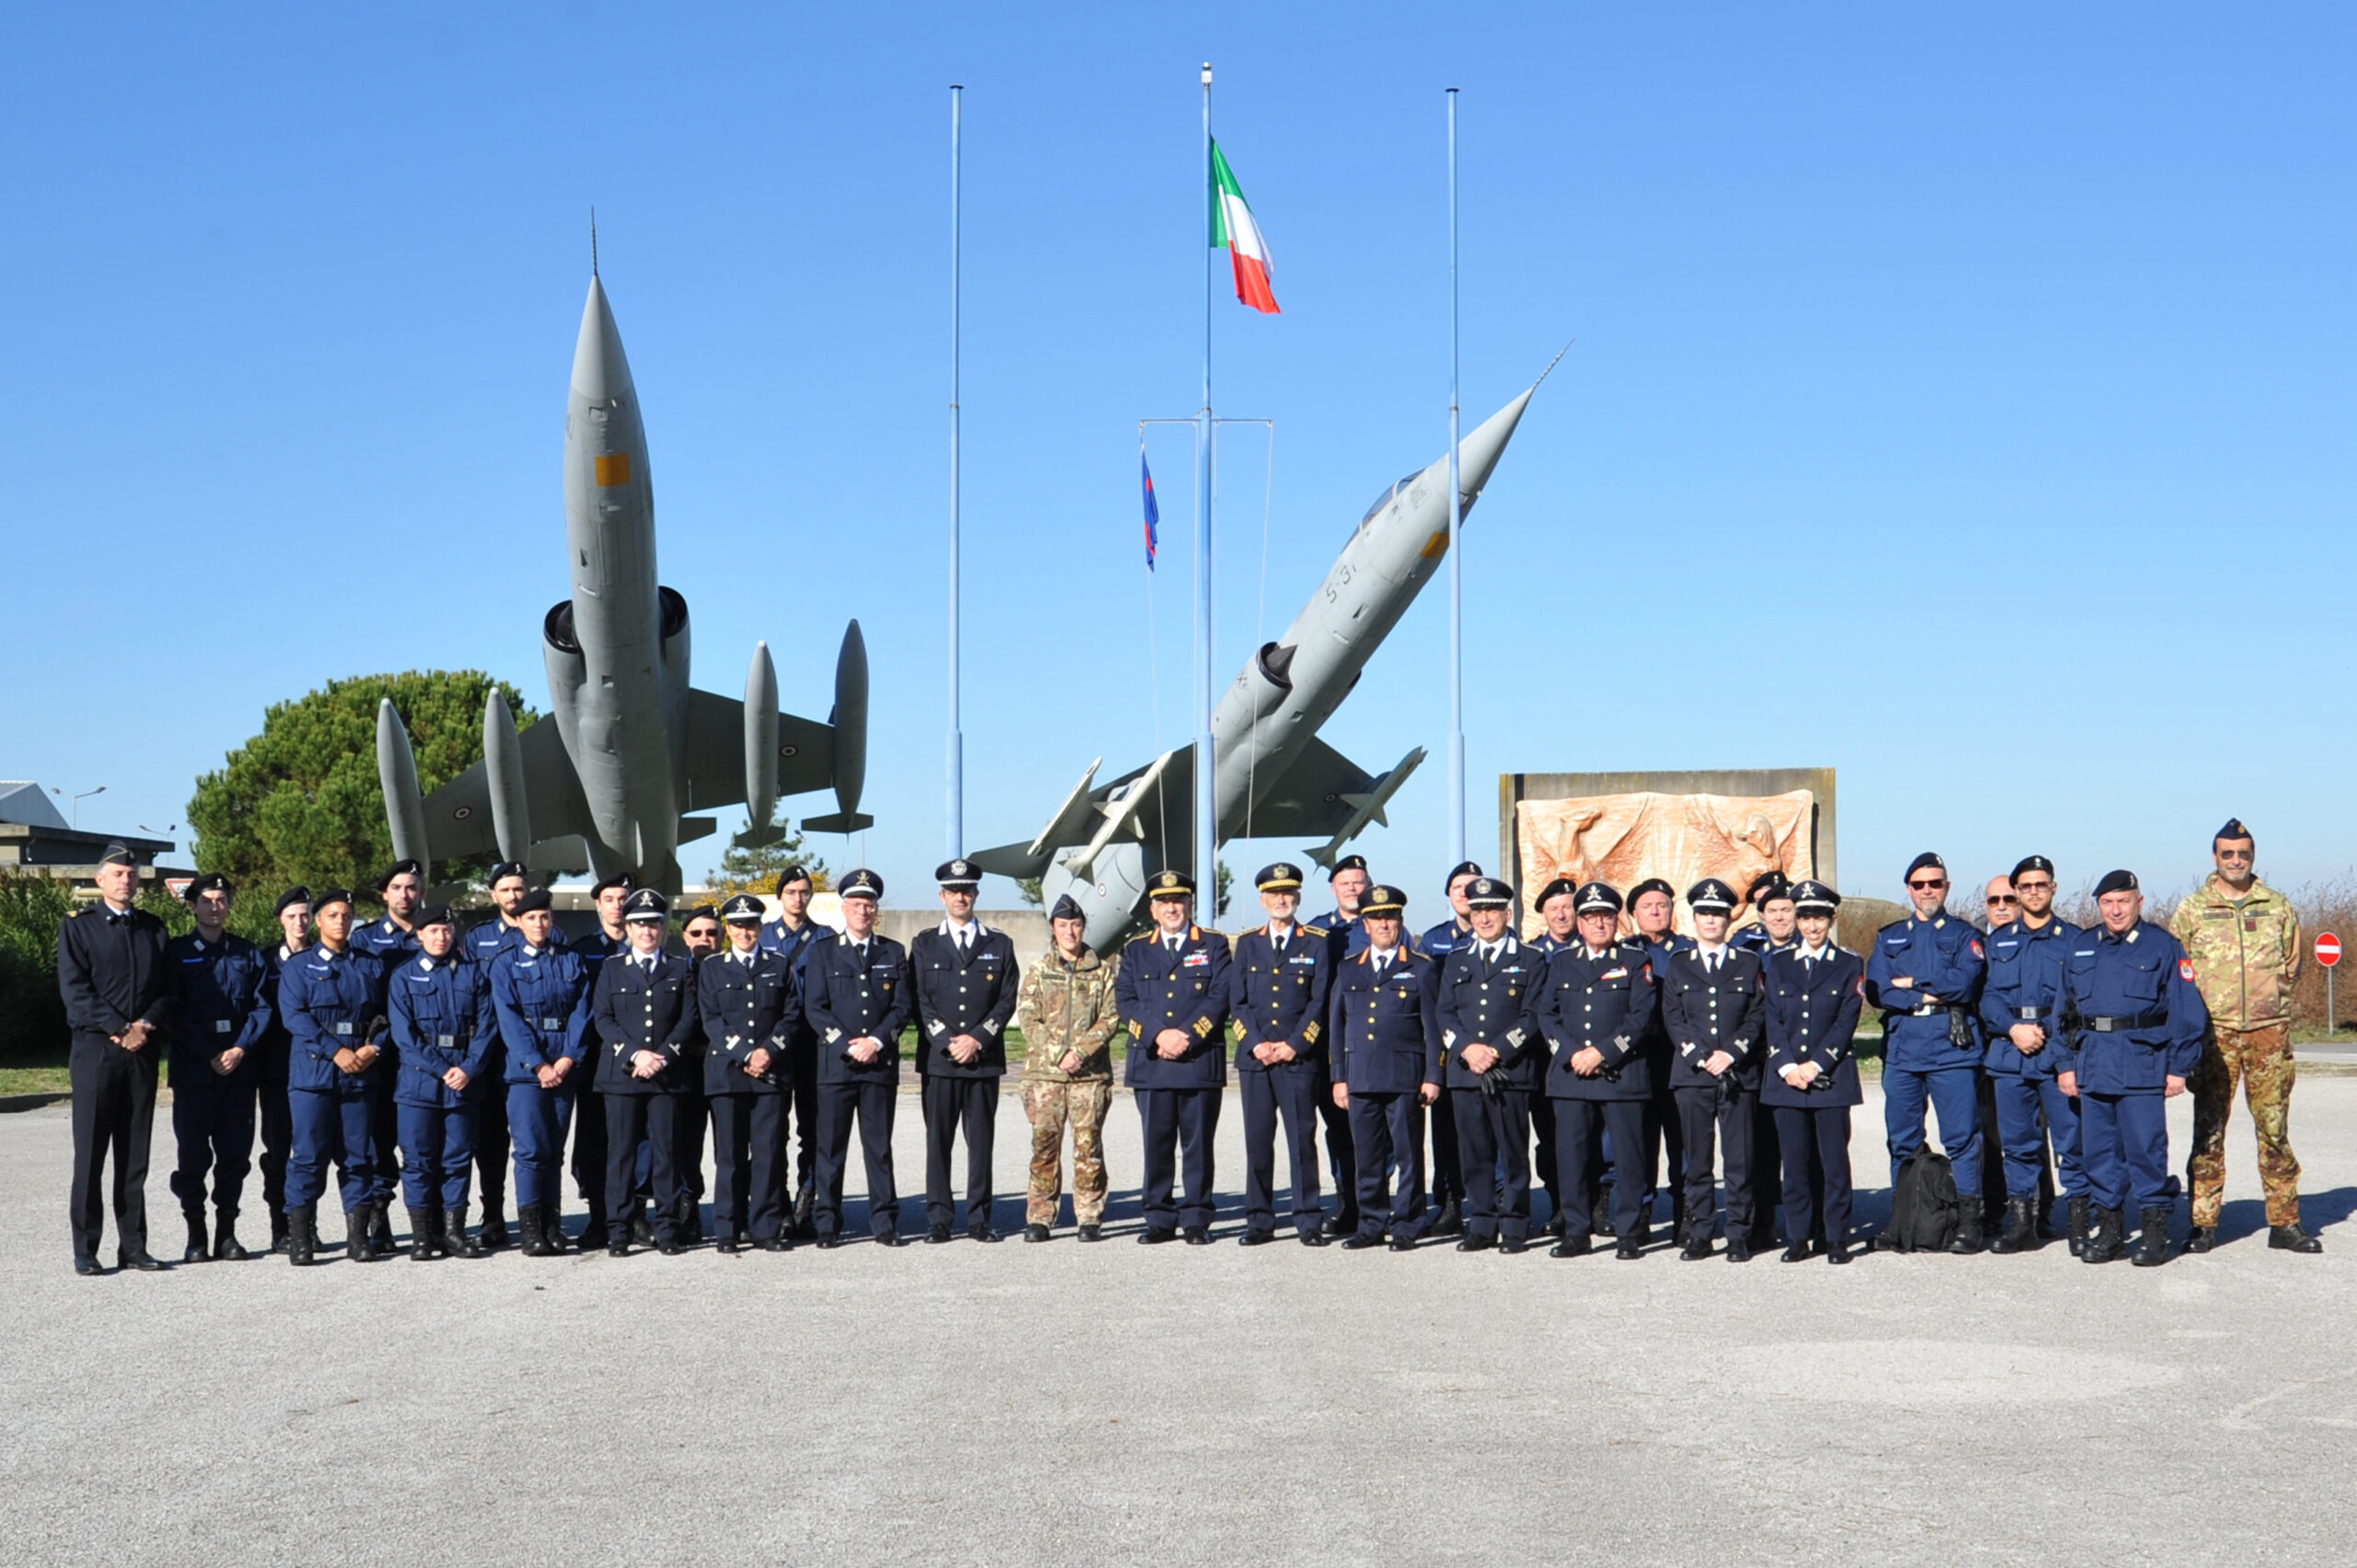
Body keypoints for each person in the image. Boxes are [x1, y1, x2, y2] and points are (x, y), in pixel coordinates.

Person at [2173, 819, 2322, 1253]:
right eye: (2227, 854)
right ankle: (2203, 1223)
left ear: (2253, 857)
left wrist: (2266, 1008)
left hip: (2267, 1036)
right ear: (2215, 858)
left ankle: (2286, 1222)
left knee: (2274, 1130)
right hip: (2213, 1037)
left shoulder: (2277, 906)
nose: (2236, 861)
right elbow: (2178, 976)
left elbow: (2291, 967)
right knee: (2209, 1130)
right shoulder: (2192, 910)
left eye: (2243, 854)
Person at [2055, 870, 2208, 1266]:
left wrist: (2179, 1067)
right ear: (2099, 905)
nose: (2116, 909)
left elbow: (2187, 1010)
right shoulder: (2082, 946)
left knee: (2145, 1149)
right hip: (2092, 1064)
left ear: (2139, 902)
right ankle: (2109, 1231)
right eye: (2107, 902)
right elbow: (2064, 1012)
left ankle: (2156, 1231)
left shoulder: (2163, 946)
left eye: (2124, 901)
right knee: (2099, 1153)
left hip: (2142, 1062)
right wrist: (2065, 1065)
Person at [57, 843, 173, 1274]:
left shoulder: (153, 929)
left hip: (141, 1053)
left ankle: (134, 1246)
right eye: (118, 874)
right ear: (100, 880)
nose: (126, 881)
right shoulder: (79, 928)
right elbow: (75, 992)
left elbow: (168, 990)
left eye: (132, 874)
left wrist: (143, 1026)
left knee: (134, 1155)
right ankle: (86, 1250)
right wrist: (120, 1027)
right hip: (95, 1053)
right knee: (90, 1155)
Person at [1865, 853, 1989, 1254]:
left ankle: (1970, 1221)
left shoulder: (1964, 935)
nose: (1927, 891)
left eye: (1935, 883)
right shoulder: (1890, 936)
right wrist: (1926, 991)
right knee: (1901, 1140)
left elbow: (1965, 985)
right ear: (1908, 889)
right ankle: (1903, 1220)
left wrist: (1910, 983)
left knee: (1962, 1139)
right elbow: (1879, 989)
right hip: (1903, 1051)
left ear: (1947, 887)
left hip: (1951, 1049)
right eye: (1919, 885)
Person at [1537, 882, 1658, 1260]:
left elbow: (1642, 1017)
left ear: (1616, 920)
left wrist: (1602, 1054)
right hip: (1572, 1077)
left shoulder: (1636, 961)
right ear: (1580, 922)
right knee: (1571, 1158)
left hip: (1620, 1076)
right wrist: (1572, 1054)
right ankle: (1577, 1231)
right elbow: (1547, 1015)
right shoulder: (1562, 962)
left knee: (1629, 1157)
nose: (1598, 923)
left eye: (1605, 916)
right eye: (1590, 917)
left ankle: (1628, 1231)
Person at [276, 889, 393, 1266]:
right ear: (318, 921)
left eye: (346, 915)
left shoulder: (371, 965)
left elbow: (388, 1015)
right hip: (314, 1075)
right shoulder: (298, 967)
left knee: (358, 1158)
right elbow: (295, 1017)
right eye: (332, 915)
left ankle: (358, 1237)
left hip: (359, 1074)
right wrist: (335, 1051)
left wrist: (374, 1048)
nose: (340, 921)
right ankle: (301, 1238)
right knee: (308, 1158)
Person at [1118, 868, 1232, 1244]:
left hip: (1197, 1061)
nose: (1172, 907)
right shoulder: (1136, 949)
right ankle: (1159, 1218)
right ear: (1153, 909)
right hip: (1152, 1063)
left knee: (1198, 1146)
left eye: (1179, 900)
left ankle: (1197, 1217)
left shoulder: (1212, 945)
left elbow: (1220, 996)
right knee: (1157, 1144)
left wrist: (1187, 1035)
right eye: (1164, 902)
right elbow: (1127, 1001)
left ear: (1189, 904)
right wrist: (1159, 1035)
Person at [911, 857, 1019, 1244]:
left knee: (981, 1146)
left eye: (968, 890)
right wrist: (947, 1041)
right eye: (954, 891)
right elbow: (919, 998)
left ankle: (979, 1219)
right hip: (940, 1062)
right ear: (942, 896)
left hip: (982, 1061)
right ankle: (939, 1219)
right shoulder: (924, 944)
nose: (961, 896)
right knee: (938, 1143)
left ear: (976, 894)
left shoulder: (999, 943)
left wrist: (978, 1038)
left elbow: (1006, 999)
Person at [1978, 856, 2082, 1254]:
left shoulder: (2074, 940)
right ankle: (2022, 1225)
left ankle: (2077, 1220)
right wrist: (2013, 1029)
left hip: (2057, 1054)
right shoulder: (1999, 941)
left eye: (2041, 885)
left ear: (2053, 889)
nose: (2033, 892)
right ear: (2018, 893)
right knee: (2018, 1143)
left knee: (2071, 1143)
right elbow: (1988, 998)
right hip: (2010, 1054)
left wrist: (2047, 1036)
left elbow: (2077, 1001)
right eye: (2026, 886)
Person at [1227, 862, 1335, 1247]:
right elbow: (1236, 1002)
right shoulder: (1247, 943)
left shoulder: (1317, 942)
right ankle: (1259, 1220)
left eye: (1288, 893)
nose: (1281, 900)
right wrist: (1256, 1043)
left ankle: (1308, 1220)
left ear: (1298, 897)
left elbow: (1319, 1002)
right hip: (1256, 1059)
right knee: (1258, 1142)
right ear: (1262, 900)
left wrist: (1294, 1044)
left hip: (1298, 1059)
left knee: (1301, 1141)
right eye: (1274, 894)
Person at [803, 869, 912, 1247]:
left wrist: (877, 1042)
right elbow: (815, 1008)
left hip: (878, 1067)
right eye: (856, 904)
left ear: (876, 910)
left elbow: (902, 1008)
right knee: (830, 1150)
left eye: (869, 905)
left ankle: (884, 1224)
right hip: (836, 1067)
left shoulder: (893, 952)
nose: (863, 911)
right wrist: (846, 1044)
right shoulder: (821, 952)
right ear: (843, 907)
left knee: (879, 1149)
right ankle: (827, 1224)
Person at [1328, 884, 1440, 1250]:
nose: (1384, 924)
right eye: (1376, 918)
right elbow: (1336, 1028)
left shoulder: (1421, 968)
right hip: (1360, 1078)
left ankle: (1408, 1224)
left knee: (1409, 1155)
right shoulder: (1348, 970)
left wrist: (1433, 1076)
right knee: (1367, 1156)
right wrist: (1339, 1078)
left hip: (1405, 1078)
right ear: (1365, 925)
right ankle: (1371, 1223)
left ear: (1400, 921)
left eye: (1390, 917)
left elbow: (1432, 1029)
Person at [165, 872, 270, 1262]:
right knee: (192, 1158)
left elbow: (262, 1007)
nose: (215, 907)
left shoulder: (247, 953)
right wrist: (210, 1051)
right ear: (193, 906)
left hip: (238, 1073)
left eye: (221, 900)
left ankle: (227, 1234)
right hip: (195, 1073)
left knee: (234, 1158)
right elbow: (173, 1010)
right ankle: (196, 1235)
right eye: (207, 900)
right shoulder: (176, 953)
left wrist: (240, 1049)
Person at [1435, 877, 1544, 1252]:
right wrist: (1467, 1049)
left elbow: (1533, 1016)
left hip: (1509, 1072)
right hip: (1466, 1073)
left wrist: (1495, 1051)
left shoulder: (1531, 959)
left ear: (1507, 913)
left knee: (1513, 1152)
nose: (1484, 918)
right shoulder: (1456, 959)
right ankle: (1480, 1223)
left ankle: (1515, 1224)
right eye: (1478, 911)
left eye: (1492, 911)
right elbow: (1444, 1014)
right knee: (1475, 1152)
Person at [1660, 877, 1765, 1262]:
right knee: (1697, 1160)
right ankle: (1701, 1231)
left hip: (1737, 1074)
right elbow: (1672, 1015)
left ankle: (1738, 1233)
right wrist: (1701, 1055)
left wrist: (1732, 1053)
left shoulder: (1749, 963)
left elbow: (1756, 1016)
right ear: (1694, 918)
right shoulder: (1679, 965)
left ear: (1728, 919)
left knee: (1739, 1160)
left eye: (1718, 914)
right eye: (1704, 913)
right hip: (1693, 1074)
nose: (1711, 920)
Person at [593, 889, 702, 1257]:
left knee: (667, 1153)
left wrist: (664, 1055)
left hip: (667, 1076)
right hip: (623, 1075)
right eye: (640, 924)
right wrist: (637, 1054)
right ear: (628, 927)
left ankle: (668, 1227)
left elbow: (690, 1017)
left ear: (663, 928)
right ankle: (619, 1229)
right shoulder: (611, 968)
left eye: (654, 924)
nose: (647, 931)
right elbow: (603, 1019)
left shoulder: (678, 967)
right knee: (621, 1155)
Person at [1760, 881, 1864, 1264]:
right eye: (1805, 917)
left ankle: (1835, 1237)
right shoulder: (1779, 963)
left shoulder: (1850, 963)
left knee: (1834, 1163)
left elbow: (1845, 1020)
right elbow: (1772, 1018)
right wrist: (1787, 1066)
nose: (1812, 926)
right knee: (1795, 1163)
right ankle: (1798, 1236)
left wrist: (1816, 1064)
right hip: (1787, 1080)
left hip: (1830, 1078)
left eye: (1819, 917)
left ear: (1831, 919)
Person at [388, 905, 494, 1260]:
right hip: (419, 1085)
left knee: (458, 1159)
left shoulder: (474, 975)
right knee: (418, 1161)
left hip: (464, 1082)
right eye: (432, 931)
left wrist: (469, 1068)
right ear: (419, 935)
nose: (440, 937)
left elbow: (487, 1027)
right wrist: (441, 1069)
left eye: (446, 930)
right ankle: (422, 1237)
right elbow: (405, 1036)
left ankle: (453, 1233)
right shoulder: (403, 977)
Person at [489, 889, 590, 1258]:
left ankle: (552, 1224)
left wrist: (568, 1058)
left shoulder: (570, 960)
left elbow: (582, 1012)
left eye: (545, 917)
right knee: (531, 1151)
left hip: (564, 1066)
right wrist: (538, 1064)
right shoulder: (504, 964)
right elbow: (509, 1019)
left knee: (554, 1151)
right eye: (530, 918)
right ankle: (531, 1230)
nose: (539, 923)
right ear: (517, 921)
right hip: (526, 1071)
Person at [1015, 894, 1121, 1242]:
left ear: (1083, 927)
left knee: (1088, 1147)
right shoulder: (1039, 971)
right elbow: (1029, 1018)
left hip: (1088, 1076)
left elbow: (1110, 1018)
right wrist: (1060, 1053)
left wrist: (1080, 1052)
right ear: (1053, 929)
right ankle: (1040, 1216)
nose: (1070, 932)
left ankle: (1089, 1215)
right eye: (1063, 926)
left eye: (1076, 925)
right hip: (1045, 1075)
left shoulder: (1102, 971)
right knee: (1044, 1146)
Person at [696, 894, 795, 1253]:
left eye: (751, 924)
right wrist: (746, 1052)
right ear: (728, 929)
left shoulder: (779, 965)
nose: (744, 931)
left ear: (761, 927)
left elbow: (791, 1014)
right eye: (737, 925)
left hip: (771, 1074)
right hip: (727, 1074)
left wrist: (768, 1050)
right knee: (730, 1156)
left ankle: (765, 1227)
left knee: (769, 1154)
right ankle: (728, 1228)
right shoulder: (712, 968)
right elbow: (711, 1019)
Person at [351, 860, 424, 1257]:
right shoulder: (364, 941)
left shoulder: (435, 933)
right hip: (380, 1056)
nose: (404, 895)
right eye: (397, 888)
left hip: (421, 1058)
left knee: (421, 1145)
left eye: (411, 887)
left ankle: (428, 1222)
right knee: (377, 1145)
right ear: (384, 895)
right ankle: (378, 1222)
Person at [462, 861, 533, 1250]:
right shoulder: (478, 939)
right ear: (494, 896)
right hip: (491, 1055)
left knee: (531, 1141)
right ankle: (492, 1216)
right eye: (505, 890)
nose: (513, 896)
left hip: (528, 1055)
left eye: (519, 889)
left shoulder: (545, 932)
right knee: (489, 1143)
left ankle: (535, 1216)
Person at [1624, 877, 1695, 1247]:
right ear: (1633, 914)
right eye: (1647, 906)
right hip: (1634, 1060)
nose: (1655, 911)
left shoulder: (1687, 952)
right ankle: (1640, 1212)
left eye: (1662, 905)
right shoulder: (1625, 952)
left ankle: (1686, 1213)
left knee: (1681, 1138)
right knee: (1638, 1140)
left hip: (1678, 1057)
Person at [1413, 861, 1482, 1238]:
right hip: (1447, 1048)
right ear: (1449, 895)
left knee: (1494, 1133)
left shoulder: (1503, 935)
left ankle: (1499, 1200)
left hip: (1490, 1048)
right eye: (1458, 886)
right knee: (1445, 1132)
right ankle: (1450, 1204)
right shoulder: (1434, 940)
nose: (1465, 892)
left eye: (1473, 886)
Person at [757, 865, 827, 1237]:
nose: (798, 898)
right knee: (773, 1130)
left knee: (812, 1128)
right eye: (791, 892)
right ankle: (777, 1203)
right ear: (779, 896)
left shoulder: (826, 937)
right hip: (773, 1046)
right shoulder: (763, 935)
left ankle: (807, 1202)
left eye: (804, 892)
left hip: (813, 1044)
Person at [563, 873, 631, 1249]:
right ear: (598, 905)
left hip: (636, 1059)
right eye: (610, 898)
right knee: (594, 1139)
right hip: (594, 1059)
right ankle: (597, 1216)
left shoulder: (646, 945)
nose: (617, 904)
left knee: (636, 1139)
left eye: (623, 897)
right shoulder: (582, 949)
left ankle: (633, 1214)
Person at [1316, 854, 1371, 1237]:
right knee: (1338, 1128)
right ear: (1333, 889)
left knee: (1377, 1128)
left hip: (1373, 1046)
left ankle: (1376, 1201)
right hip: (1330, 1045)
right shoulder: (1320, 932)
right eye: (1346, 883)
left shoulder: (1384, 925)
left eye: (1359, 882)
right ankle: (1346, 1200)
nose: (1353, 888)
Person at [254, 888, 310, 1252]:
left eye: (306, 915)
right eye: (293, 916)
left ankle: (306, 1225)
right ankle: (281, 1225)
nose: (300, 923)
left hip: (315, 1070)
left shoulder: (327, 957)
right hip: (276, 1070)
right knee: (278, 1151)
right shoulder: (264, 962)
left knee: (311, 1152)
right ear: (281, 920)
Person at [1526, 877, 1583, 1233]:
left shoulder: (1599, 947)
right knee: (1551, 1138)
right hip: (1543, 1062)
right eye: (1554, 909)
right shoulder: (1533, 954)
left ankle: (1597, 1201)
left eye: (1567, 908)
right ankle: (1559, 1202)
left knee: (1593, 1139)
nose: (1562, 915)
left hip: (1587, 1060)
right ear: (1544, 915)